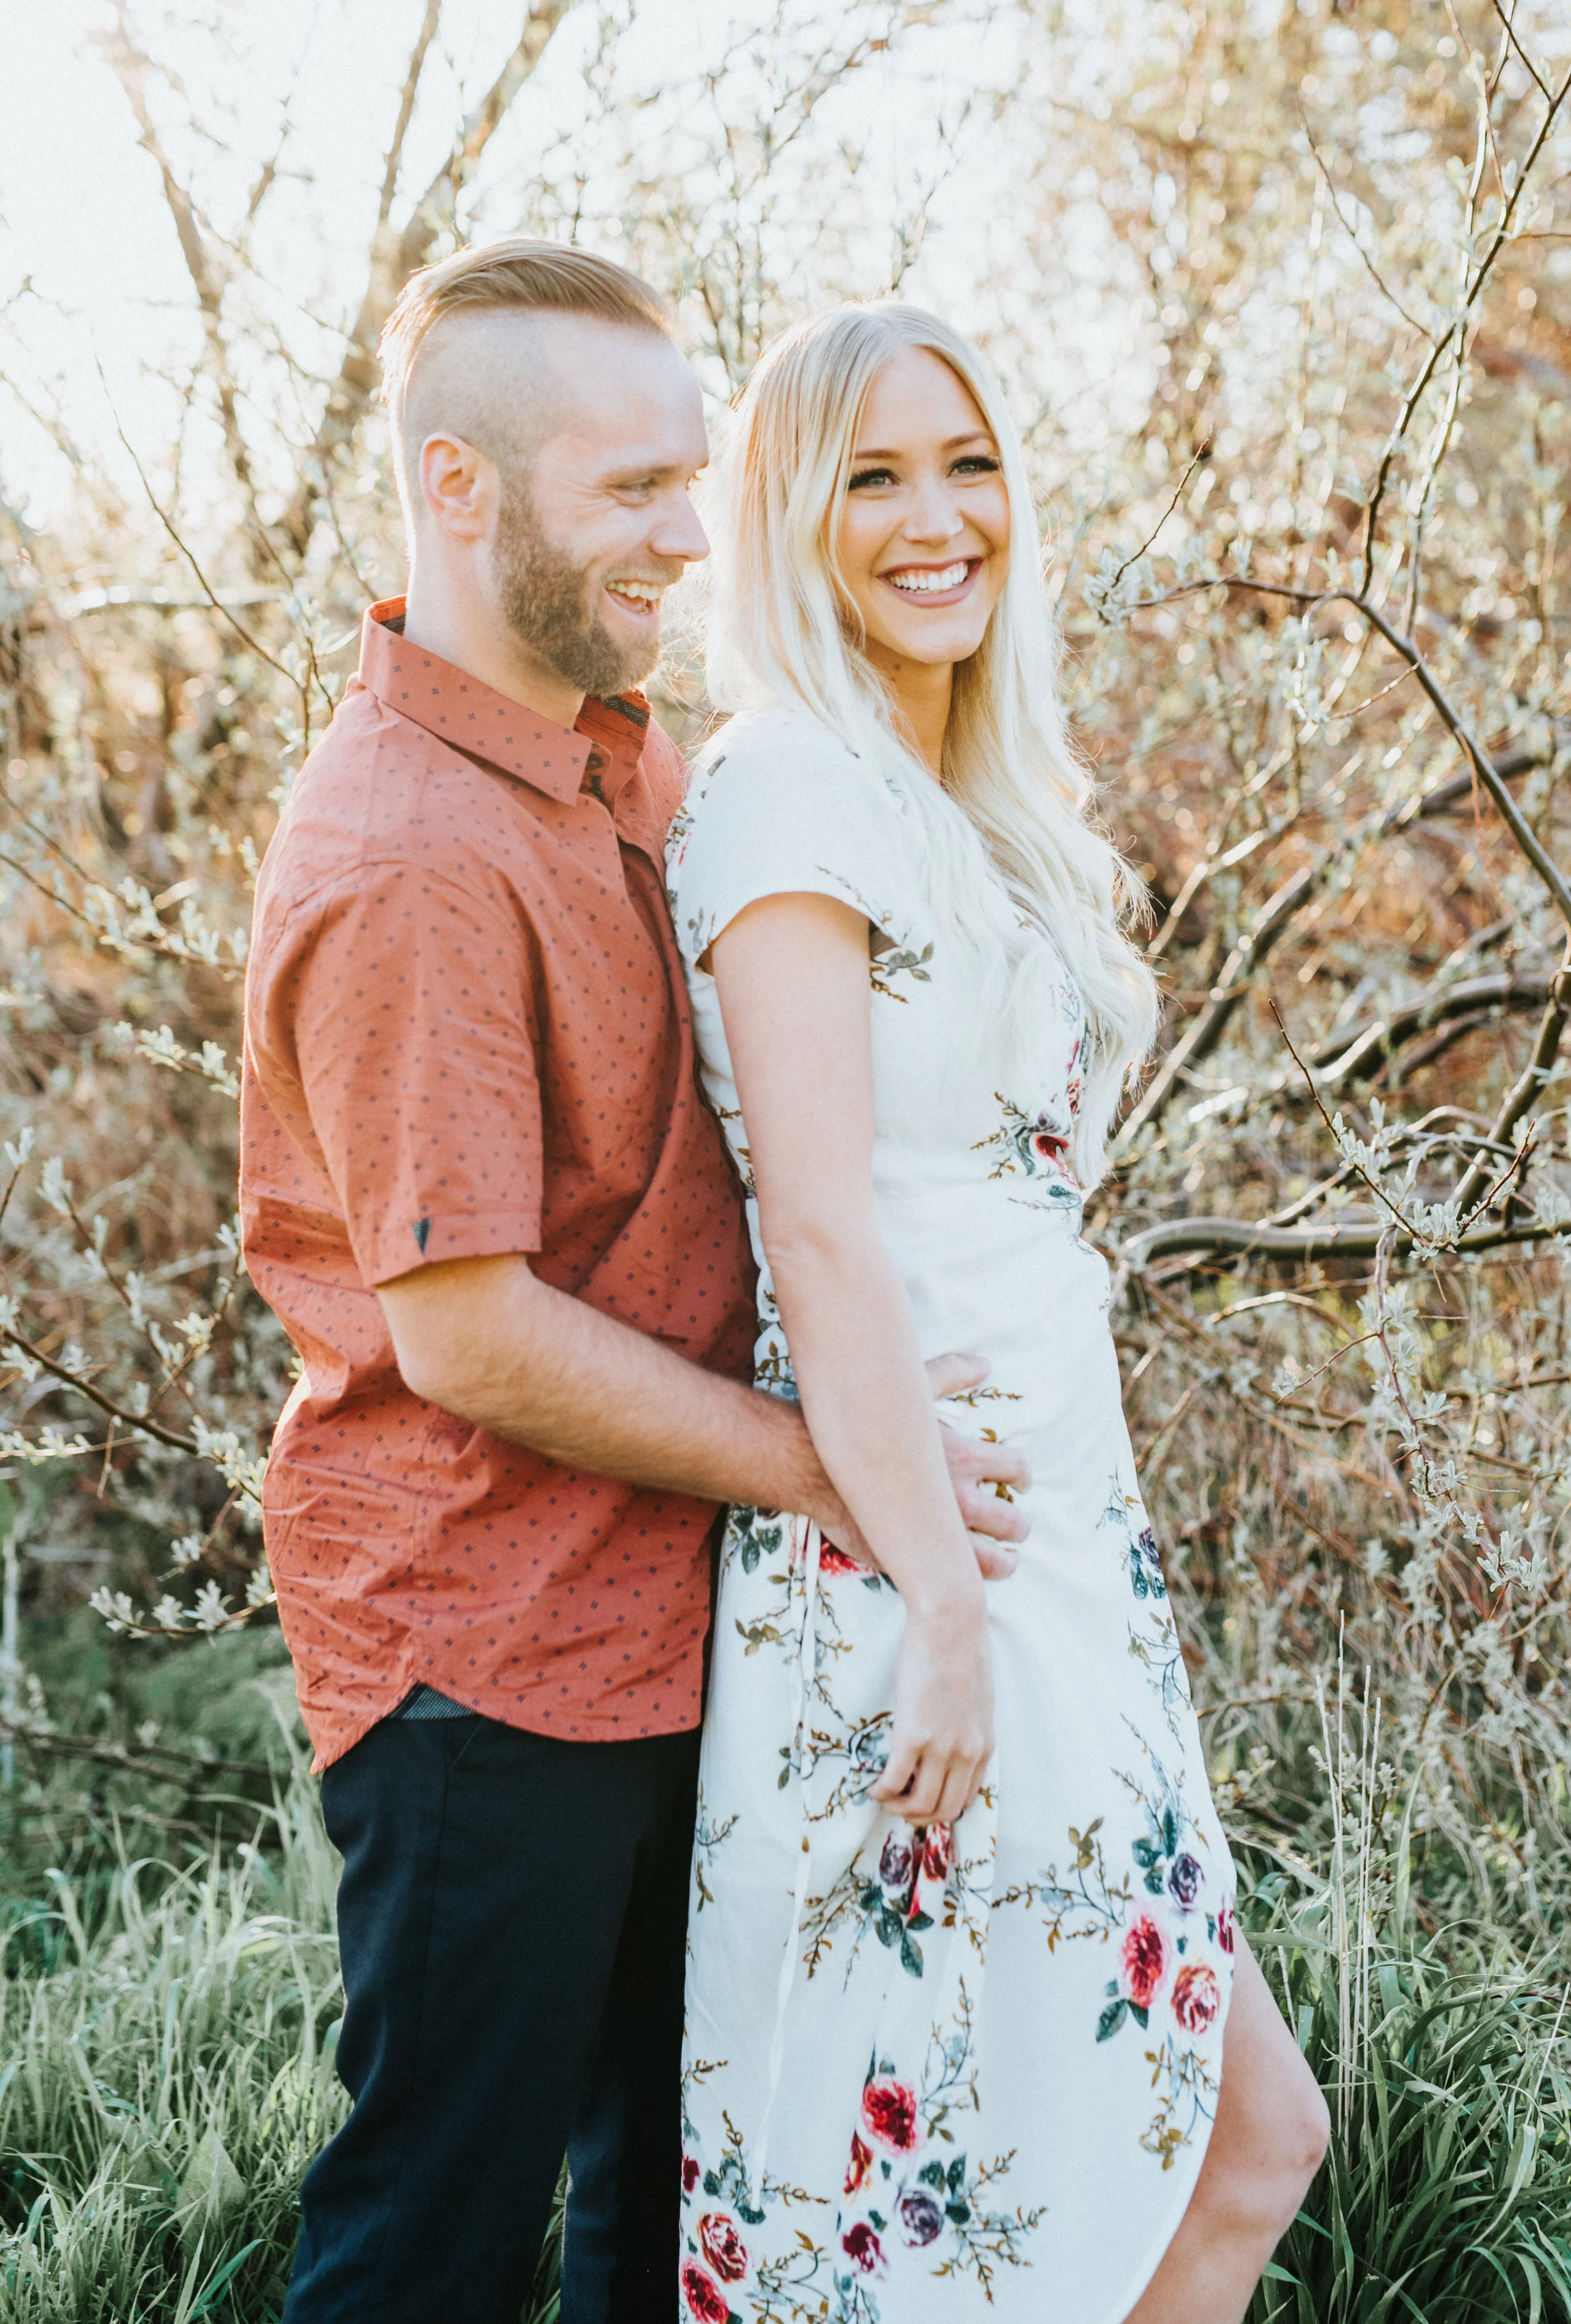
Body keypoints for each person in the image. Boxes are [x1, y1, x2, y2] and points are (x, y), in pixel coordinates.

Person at [239, 241, 1027, 2324]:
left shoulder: (618, 761)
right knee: (436, 2223)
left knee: (664, 2210)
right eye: (631, 493)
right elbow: (467, 1328)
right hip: (486, 1643)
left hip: (668, 1608)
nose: (691, 534)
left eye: (696, 480)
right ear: (455, 490)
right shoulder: (408, 853)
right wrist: (840, 1471)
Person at [669, 302, 1330, 2324]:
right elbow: (823, 1227)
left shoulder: (950, 796)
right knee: (1007, 2199)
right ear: (784, 519)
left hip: (1056, 1544)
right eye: (868, 476)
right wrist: (942, 1611)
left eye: (962, 462)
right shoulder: (786, 790)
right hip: (920, 1550)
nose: (932, 516)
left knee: (1182, 2162)